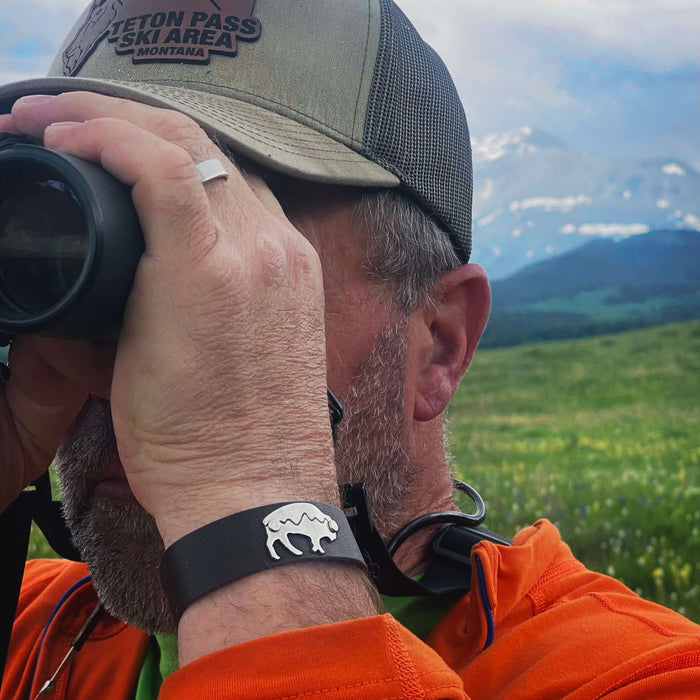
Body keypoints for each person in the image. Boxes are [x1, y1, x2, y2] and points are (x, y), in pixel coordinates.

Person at [0, 1, 698, 698]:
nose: (130, 357)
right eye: (101, 256)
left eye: (231, 261)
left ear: (441, 344)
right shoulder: (35, 627)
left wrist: (251, 511)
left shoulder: (636, 676)